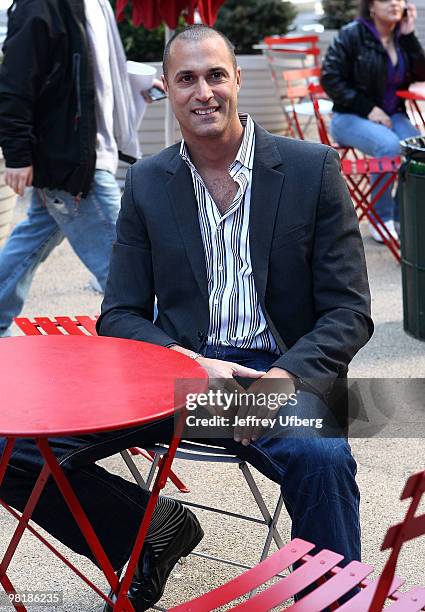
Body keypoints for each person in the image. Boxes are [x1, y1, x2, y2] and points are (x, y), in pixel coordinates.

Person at [0, 24, 373, 612]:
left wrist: (288, 377)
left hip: (271, 376)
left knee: (323, 455)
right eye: (187, 79)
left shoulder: (312, 169)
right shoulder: (149, 181)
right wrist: (188, 361)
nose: (204, 91)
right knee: (10, 446)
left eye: (215, 75)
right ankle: (146, 531)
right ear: (168, 91)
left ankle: (333, 599)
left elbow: (349, 310)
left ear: (237, 80)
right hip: (177, 376)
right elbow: (119, 313)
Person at [0, 0, 160, 336]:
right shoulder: (39, 6)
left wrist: (132, 82)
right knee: (124, 263)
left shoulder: (96, 4)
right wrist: (17, 156)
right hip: (73, 161)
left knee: (31, 241)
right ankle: (163, 342)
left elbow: (91, 74)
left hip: (85, 153)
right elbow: (14, 84)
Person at [321, 0, 425, 242]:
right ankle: (381, 218)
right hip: (349, 116)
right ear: (371, 6)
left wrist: (409, 36)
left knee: (418, 150)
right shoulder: (351, 35)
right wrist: (368, 108)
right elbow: (330, 78)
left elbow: (421, 74)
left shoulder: (401, 37)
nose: (395, 3)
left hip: (393, 115)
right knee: (389, 146)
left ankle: (404, 218)